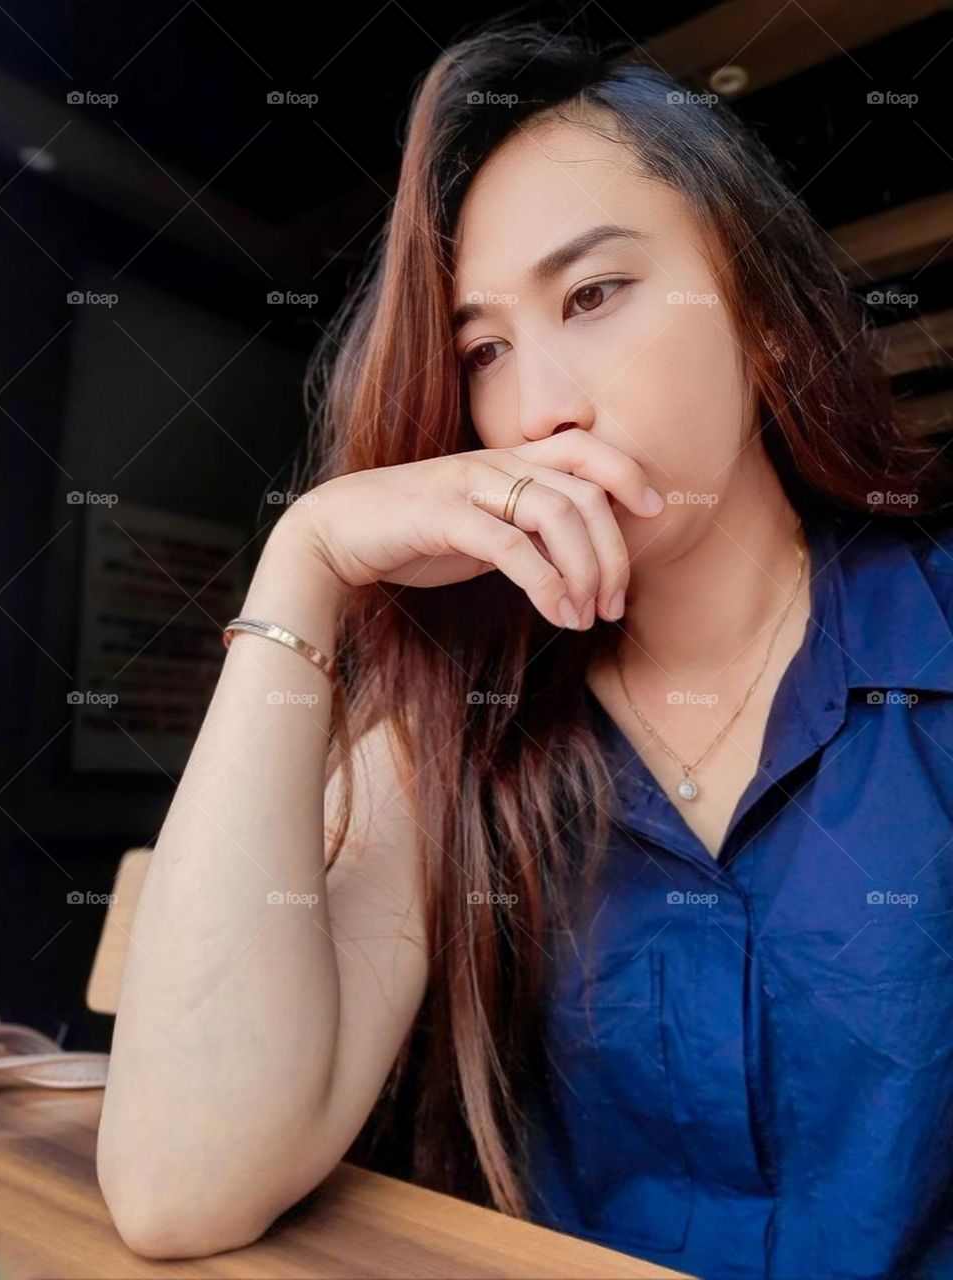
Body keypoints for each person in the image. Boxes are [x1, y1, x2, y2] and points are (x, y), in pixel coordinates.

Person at [96, 19, 953, 1279]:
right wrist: (309, 560)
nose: (538, 406)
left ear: (765, 319)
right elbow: (179, 1188)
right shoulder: (463, 723)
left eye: (595, 294)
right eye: (483, 348)